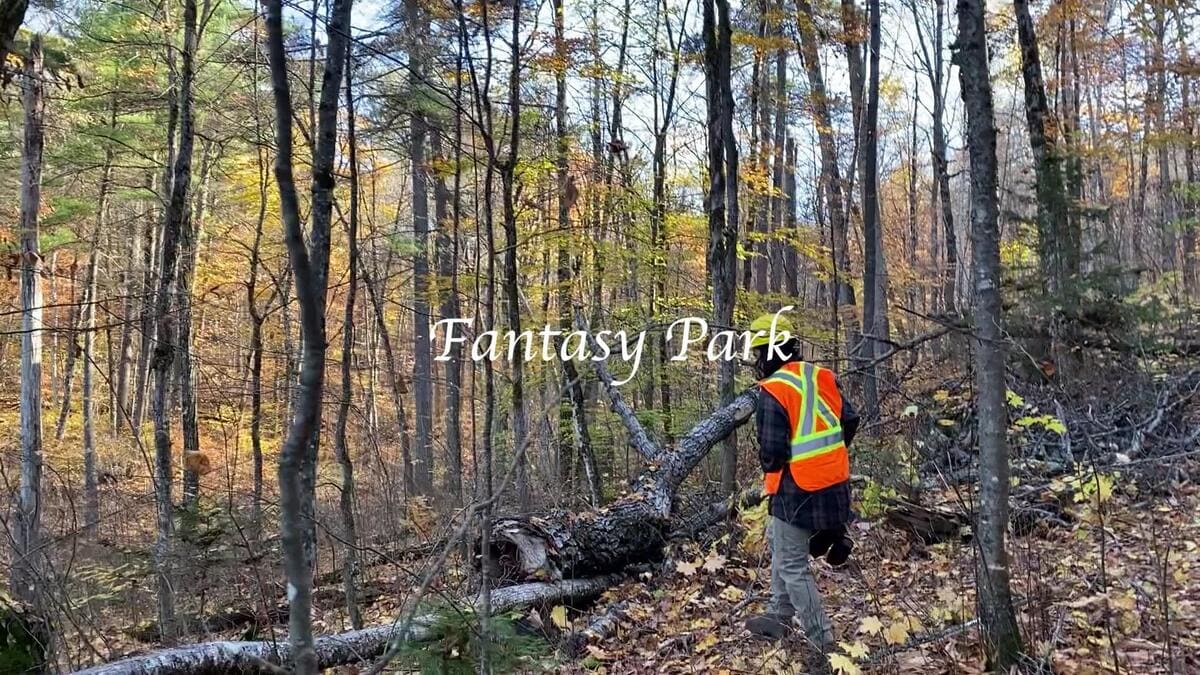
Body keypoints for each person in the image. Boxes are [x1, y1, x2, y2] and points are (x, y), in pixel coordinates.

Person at [743, 313, 858, 652]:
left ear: (770, 353)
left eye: (759, 352)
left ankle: (824, 644)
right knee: (778, 540)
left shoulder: (774, 390)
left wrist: (790, 464)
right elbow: (850, 419)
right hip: (835, 485)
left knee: (793, 565)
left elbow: (772, 454)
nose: (756, 360)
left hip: (798, 491)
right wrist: (827, 456)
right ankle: (778, 615)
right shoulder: (821, 376)